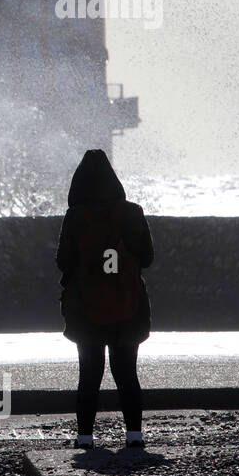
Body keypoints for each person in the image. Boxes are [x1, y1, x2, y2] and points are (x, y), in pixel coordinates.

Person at [55, 149, 154, 450]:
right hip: (128, 305)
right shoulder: (133, 212)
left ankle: (85, 436)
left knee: (89, 374)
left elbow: (63, 262)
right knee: (126, 373)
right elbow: (148, 259)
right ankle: (134, 435)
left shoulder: (76, 217)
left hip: (86, 309)